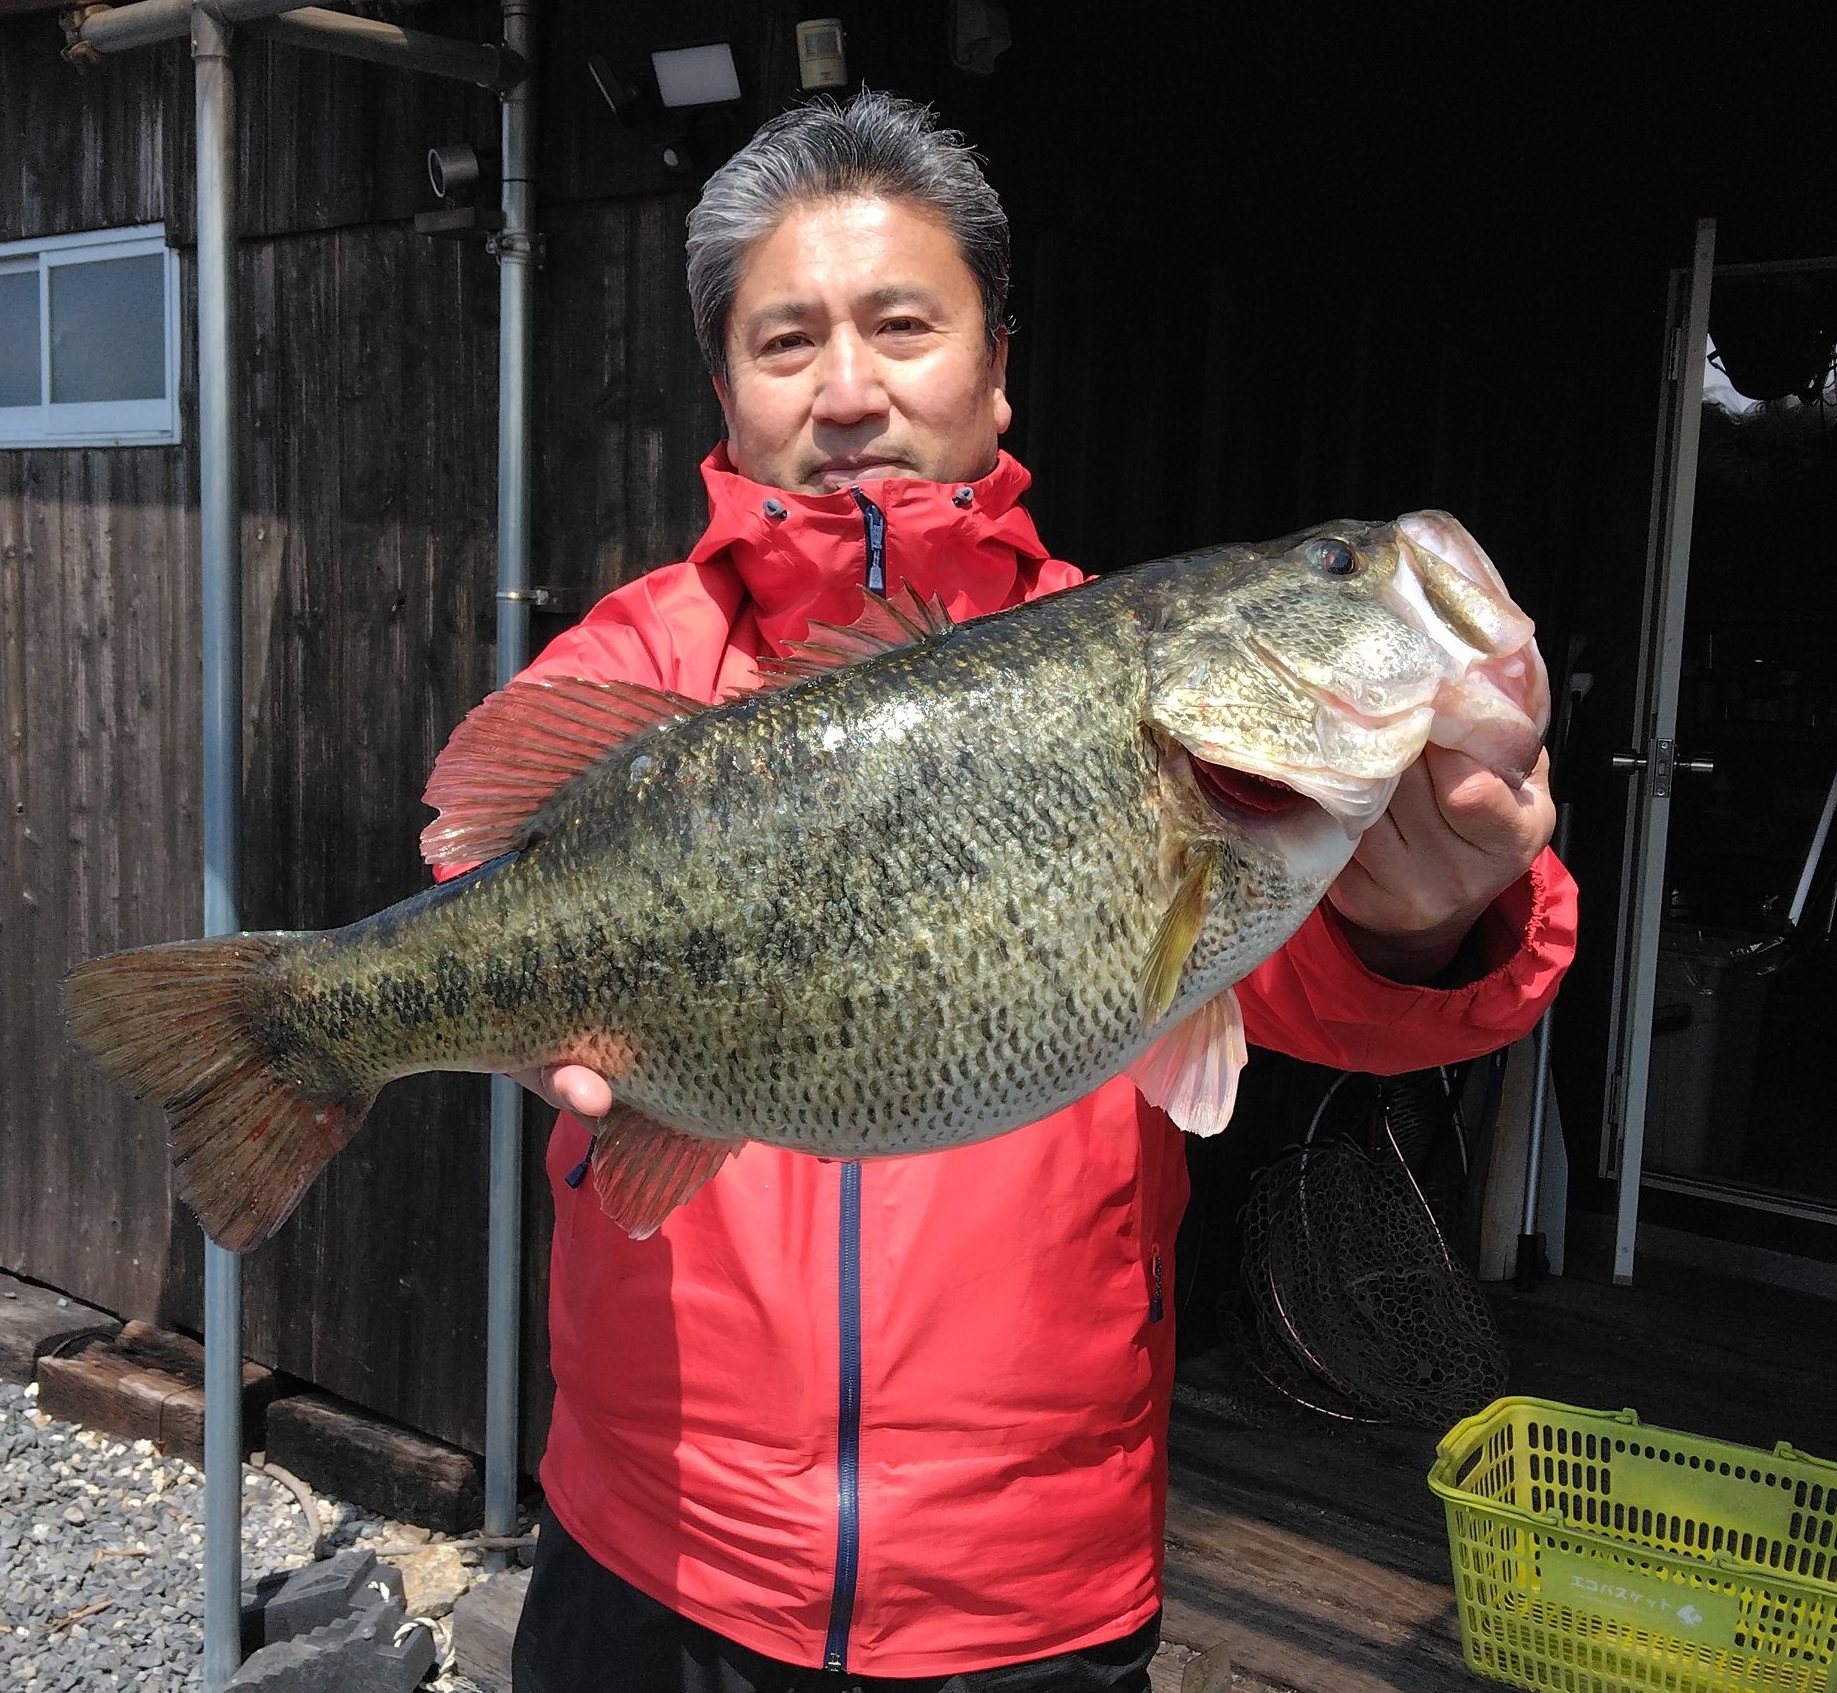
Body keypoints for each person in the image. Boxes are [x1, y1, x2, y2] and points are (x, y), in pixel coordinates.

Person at [501, 92, 1575, 1691]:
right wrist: (509, 1008)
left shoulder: (1128, 666)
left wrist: (1428, 919)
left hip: (1026, 1587)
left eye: (903, 325)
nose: (848, 390)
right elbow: (488, 888)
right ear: (724, 387)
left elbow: (1323, 1004)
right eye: (786, 341)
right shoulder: (625, 670)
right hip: (658, 1552)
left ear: (998, 364)